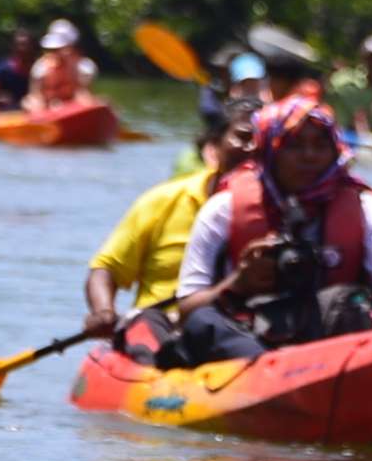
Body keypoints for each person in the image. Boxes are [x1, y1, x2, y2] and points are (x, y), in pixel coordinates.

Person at [162, 96, 372, 367]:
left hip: (333, 335)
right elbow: (188, 308)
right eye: (294, 145)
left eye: (320, 145)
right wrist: (238, 283)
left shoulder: (367, 209)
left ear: (335, 151)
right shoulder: (223, 209)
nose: (309, 155)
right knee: (204, 321)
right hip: (246, 341)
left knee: (351, 308)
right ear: (269, 152)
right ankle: (271, 369)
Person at [82, 97, 258, 346]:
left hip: (239, 329)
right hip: (160, 328)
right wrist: (103, 312)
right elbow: (106, 269)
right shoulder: (163, 200)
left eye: (264, 140)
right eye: (243, 137)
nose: (253, 148)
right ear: (214, 145)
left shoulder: (285, 210)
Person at [324, 35, 372, 132]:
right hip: (339, 131)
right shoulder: (345, 79)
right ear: (363, 57)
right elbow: (325, 97)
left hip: (368, 139)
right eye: (369, 57)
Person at [28, 19, 96, 109]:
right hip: (47, 106)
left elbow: (84, 90)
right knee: (32, 104)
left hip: (73, 106)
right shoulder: (40, 68)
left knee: (85, 100)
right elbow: (35, 94)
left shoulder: (84, 68)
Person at [0, 29, 37, 114]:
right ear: (13, 47)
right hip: (6, 112)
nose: (23, 48)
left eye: (27, 45)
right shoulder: (1, 69)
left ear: (32, 46)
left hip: (30, 109)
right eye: (20, 45)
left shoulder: (39, 68)